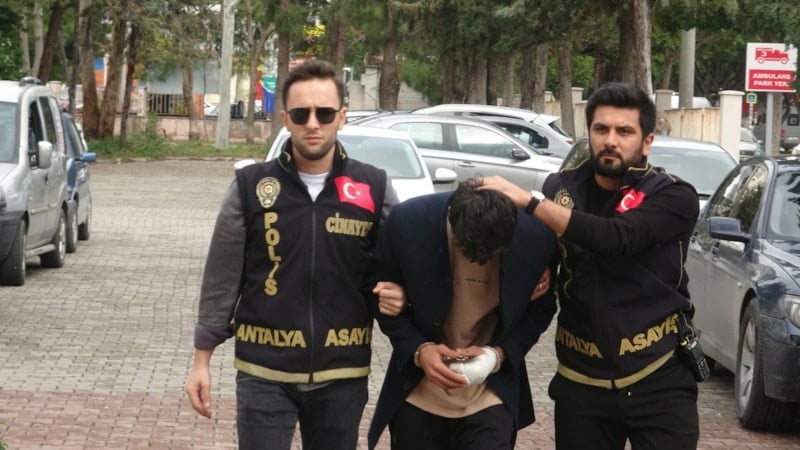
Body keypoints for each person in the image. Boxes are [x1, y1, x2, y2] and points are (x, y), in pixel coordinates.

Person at [185, 59, 398, 450]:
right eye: (301, 114)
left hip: (343, 370)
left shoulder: (374, 187)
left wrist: (400, 292)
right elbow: (221, 277)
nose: (313, 124)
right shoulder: (250, 186)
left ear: (342, 117)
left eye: (324, 113)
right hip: (263, 370)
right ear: (285, 119)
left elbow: (400, 265)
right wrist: (201, 361)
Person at [479, 82, 701, 449]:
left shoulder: (673, 195)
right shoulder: (560, 188)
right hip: (581, 380)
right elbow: (539, 256)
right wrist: (537, 267)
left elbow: (617, 238)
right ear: (590, 134)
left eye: (624, 131)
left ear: (647, 142)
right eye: (601, 129)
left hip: (659, 375)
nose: (610, 140)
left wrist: (531, 202)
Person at [366, 178, 558, 450]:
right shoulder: (408, 223)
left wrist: (498, 356)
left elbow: (541, 309)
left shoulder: (537, 237)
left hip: (491, 392)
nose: (477, 261)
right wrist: (419, 350)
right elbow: (375, 291)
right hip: (418, 391)